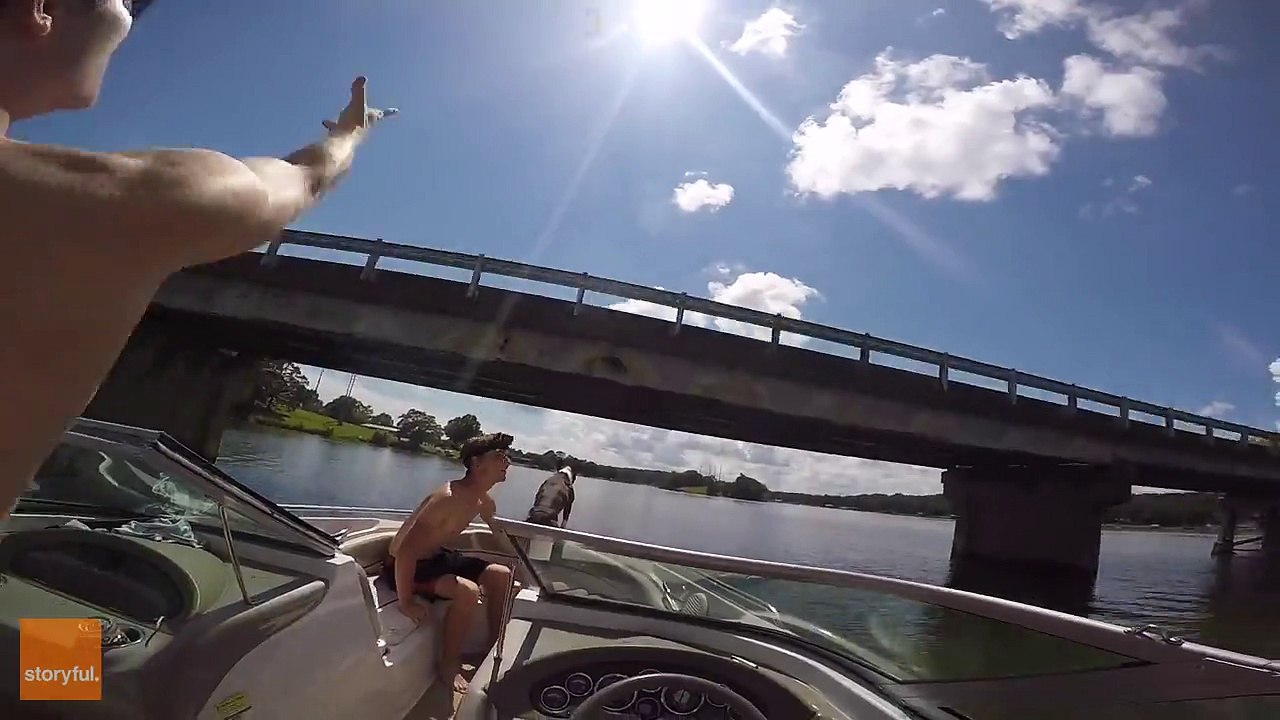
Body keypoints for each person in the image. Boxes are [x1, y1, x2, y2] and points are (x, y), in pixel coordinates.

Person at [0, 0, 397, 521]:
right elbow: (305, 177)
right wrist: (349, 133)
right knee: (80, 613)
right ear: (40, 8)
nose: (127, 22)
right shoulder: (125, 201)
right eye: (127, 2)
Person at [387, 433, 516, 694]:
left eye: (507, 456)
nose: (507, 462)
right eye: (500, 457)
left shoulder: (482, 499)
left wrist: (526, 560)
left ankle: (492, 646)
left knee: (502, 574)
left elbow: (500, 535)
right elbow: (405, 552)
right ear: (477, 464)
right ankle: (449, 663)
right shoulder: (447, 499)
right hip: (406, 566)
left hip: (436, 556)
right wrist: (406, 602)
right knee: (467, 590)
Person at [526, 459, 575, 527]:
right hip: (550, 519)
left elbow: (537, 497)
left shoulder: (549, 480)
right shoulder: (569, 487)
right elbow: (567, 510)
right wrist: (563, 526)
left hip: (534, 514)